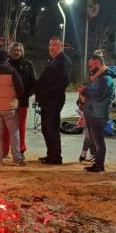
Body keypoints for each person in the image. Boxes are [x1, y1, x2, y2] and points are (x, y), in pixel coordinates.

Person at [78, 55, 116, 172]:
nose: (89, 68)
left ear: (97, 63)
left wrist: (84, 91)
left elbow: (97, 95)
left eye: (91, 65)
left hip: (98, 114)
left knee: (98, 141)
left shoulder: (105, 79)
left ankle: (99, 165)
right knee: (94, 140)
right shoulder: (97, 77)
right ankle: (97, 163)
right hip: (92, 112)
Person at [34, 37, 71, 165]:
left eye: (54, 45)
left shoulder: (63, 61)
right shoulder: (54, 61)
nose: (51, 47)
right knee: (46, 128)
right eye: (50, 45)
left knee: (51, 128)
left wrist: (46, 92)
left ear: (61, 46)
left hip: (53, 100)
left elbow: (63, 82)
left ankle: (55, 157)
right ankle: (51, 154)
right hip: (47, 100)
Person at [6, 43, 36, 156]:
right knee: (6, 127)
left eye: (18, 50)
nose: (16, 52)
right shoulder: (6, 64)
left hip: (22, 101)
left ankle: (21, 149)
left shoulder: (28, 65)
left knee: (21, 126)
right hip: (7, 101)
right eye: (14, 50)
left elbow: (33, 82)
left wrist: (27, 95)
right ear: (10, 51)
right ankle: (4, 150)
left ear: (22, 51)